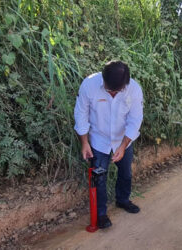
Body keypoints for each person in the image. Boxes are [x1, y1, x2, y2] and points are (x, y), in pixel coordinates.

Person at [74, 60, 143, 229]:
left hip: (123, 140)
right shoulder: (89, 85)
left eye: (116, 91)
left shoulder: (133, 89)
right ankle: (101, 214)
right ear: (103, 78)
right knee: (99, 177)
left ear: (125, 84)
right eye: (108, 90)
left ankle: (123, 200)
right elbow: (81, 114)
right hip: (99, 140)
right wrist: (84, 143)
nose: (112, 94)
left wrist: (123, 145)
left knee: (126, 173)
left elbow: (135, 120)